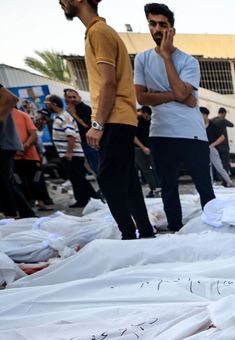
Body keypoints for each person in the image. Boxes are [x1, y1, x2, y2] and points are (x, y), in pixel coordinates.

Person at [59, 0, 154, 239]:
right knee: (128, 179)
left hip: (113, 118)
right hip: (121, 118)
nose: (60, 2)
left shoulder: (98, 32)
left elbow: (108, 82)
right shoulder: (99, 31)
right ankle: (144, 231)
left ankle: (128, 235)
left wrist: (97, 124)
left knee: (109, 180)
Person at [134, 2, 215, 232]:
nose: (157, 29)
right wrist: (177, 96)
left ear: (172, 29)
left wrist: (167, 58)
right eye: (153, 24)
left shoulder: (188, 61)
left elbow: (181, 94)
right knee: (168, 187)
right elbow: (141, 98)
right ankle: (176, 230)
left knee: (204, 186)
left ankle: (213, 227)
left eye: (163, 25)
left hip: (192, 133)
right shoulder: (142, 59)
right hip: (161, 132)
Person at [44, 94, 99, 208]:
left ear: (54, 104)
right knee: (77, 178)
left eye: (47, 103)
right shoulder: (59, 117)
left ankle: (85, 200)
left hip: (72, 153)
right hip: (70, 153)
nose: (45, 105)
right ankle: (91, 197)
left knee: (77, 178)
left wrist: (69, 152)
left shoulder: (64, 117)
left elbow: (71, 135)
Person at [0, 85, 35, 218]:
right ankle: (25, 215)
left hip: (3, 143)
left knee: (4, 182)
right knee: (6, 182)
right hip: (5, 144)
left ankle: (14, 215)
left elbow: (11, 98)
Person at [12, 107, 53, 210]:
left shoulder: (22, 115)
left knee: (36, 180)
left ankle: (41, 202)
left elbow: (33, 135)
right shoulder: (3, 116)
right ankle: (25, 206)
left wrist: (23, 148)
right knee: (18, 181)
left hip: (30, 156)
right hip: (12, 157)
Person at [63, 87, 100, 173]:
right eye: (69, 97)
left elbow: (86, 125)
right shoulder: (69, 110)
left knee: (96, 164)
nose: (72, 99)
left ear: (79, 97)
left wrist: (74, 114)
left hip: (88, 142)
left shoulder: (84, 108)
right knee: (91, 166)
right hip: (79, 142)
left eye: (74, 97)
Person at [201, 106, 233, 187]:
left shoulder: (212, 124)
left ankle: (229, 182)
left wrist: (212, 145)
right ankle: (210, 184)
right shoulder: (199, 125)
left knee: (219, 166)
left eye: (201, 114)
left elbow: (222, 137)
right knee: (207, 167)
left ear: (205, 115)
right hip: (203, 149)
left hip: (212, 148)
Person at [133, 106, 160, 197]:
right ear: (143, 113)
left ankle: (160, 187)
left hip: (151, 147)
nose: (148, 118)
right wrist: (143, 147)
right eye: (147, 116)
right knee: (146, 170)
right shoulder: (135, 120)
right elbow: (133, 136)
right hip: (138, 148)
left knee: (155, 167)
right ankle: (153, 189)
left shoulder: (150, 119)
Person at [211, 107, 234, 174]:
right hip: (224, 145)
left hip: (215, 145)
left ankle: (216, 177)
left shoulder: (212, 120)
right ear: (224, 113)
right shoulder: (223, 120)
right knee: (224, 163)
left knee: (216, 162)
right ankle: (224, 179)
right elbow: (232, 125)